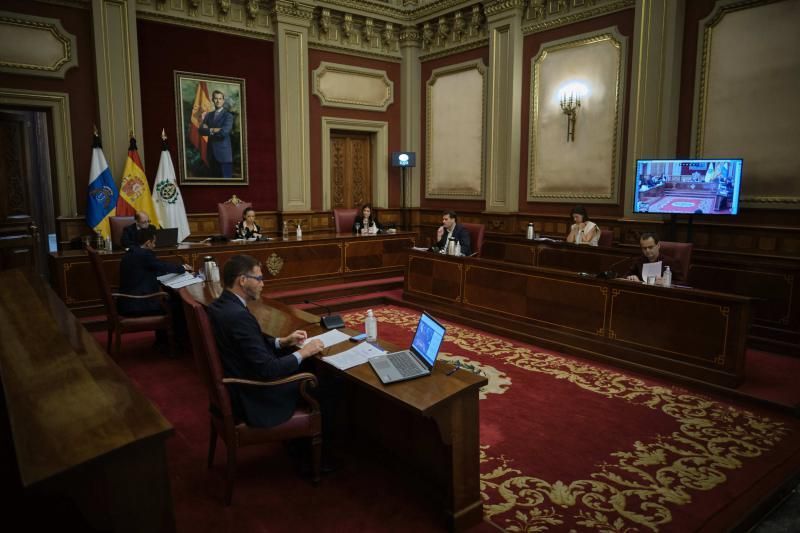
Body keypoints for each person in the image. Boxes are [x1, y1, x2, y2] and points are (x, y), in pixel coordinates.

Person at [206, 254, 324, 428]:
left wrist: (282, 342)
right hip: (255, 396)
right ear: (243, 280)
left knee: (305, 365)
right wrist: (304, 352)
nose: (263, 283)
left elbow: (245, 347)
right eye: (259, 278)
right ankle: (312, 449)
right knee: (324, 381)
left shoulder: (220, 305)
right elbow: (268, 370)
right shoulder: (238, 316)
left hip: (239, 382)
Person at [118, 227, 192, 317]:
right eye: (154, 242)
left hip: (127, 304)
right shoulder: (144, 254)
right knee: (178, 306)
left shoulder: (131, 252)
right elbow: (162, 266)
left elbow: (149, 270)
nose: (155, 245)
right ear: (148, 243)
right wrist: (182, 267)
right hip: (139, 305)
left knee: (174, 302)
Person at [199, 90, 234, 178]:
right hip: (211, 154)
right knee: (214, 185)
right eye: (216, 98)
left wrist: (209, 130)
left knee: (226, 184)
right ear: (212, 100)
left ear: (223, 100)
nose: (218, 101)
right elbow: (201, 130)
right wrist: (213, 129)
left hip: (224, 156)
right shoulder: (208, 115)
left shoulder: (228, 116)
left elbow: (223, 133)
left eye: (220, 99)